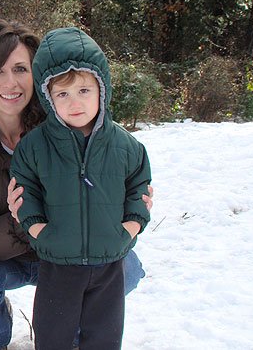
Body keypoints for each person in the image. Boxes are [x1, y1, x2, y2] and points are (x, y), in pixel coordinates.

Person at [0, 19, 152, 350]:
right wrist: (24, 223)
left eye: (21, 69)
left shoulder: (69, 119)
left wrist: (129, 209)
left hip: (69, 258)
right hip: (3, 258)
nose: (11, 82)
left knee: (126, 268)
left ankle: (76, 327)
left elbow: (117, 177)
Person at [9, 27, 152, 350]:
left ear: (102, 88)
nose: (75, 102)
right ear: (47, 97)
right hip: (58, 264)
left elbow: (139, 186)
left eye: (84, 90)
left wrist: (130, 226)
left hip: (109, 263)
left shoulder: (126, 146)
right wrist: (38, 227)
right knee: (53, 335)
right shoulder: (34, 147)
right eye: (62, 94)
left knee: (104, 336)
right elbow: (25, 189)